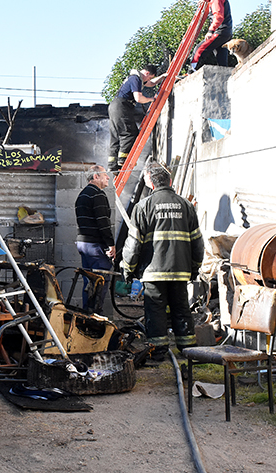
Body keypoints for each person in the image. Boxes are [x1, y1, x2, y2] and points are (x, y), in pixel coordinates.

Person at [121, 163, 204, 360]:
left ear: (150, 182)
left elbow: (133, 244)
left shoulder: (143, 207)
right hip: (180, 271)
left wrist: (128, 268)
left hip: (153, 272)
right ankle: (188, 349)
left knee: (155, 310)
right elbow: (197, 243)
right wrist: (194, 268)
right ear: (171, 181)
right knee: (181, 307)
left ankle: (157, 351)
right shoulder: (186, 206)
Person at [108, 65, 167, 173]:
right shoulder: (136, 79)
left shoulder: (135, 78)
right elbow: (138, 98)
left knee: (115, 135)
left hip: (114, 106)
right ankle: (123, 159)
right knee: (130, 132)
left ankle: (112, 165)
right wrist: (151, 99)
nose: (148, 80)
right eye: (149, 77)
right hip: (122, 106)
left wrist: (162, 77)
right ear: (147, 73)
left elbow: (152, 83)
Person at [75, 165, 115, 314]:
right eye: (105, 175)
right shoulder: (97, 195)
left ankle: (87, 314)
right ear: (96, 177)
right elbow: (103, 222)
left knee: (89, 281)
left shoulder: (82, 195)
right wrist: (110, 245)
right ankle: (95, 317)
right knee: (100, 281)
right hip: (94, 246)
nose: (108, 177)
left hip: (83, 244)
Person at [190, 0, 233, 70]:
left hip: (220, 31)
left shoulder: (216, 1)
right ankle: (224, 75)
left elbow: (218, 16)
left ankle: (191, 71)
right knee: (221, 56)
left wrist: (211, 31)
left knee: (199, 49)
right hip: (227, 32)